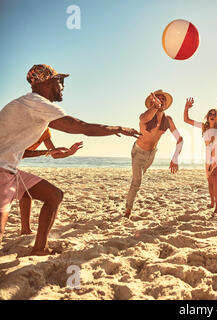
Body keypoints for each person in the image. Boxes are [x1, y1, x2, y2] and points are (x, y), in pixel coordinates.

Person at [0, 64, 140, 256]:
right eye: (60, 81)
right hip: (2, 172)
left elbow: (18, 151)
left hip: (9, 170)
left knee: (53, 196)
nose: (63, 86)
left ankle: (40, 249)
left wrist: (49, 152)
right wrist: (117, 128)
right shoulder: (37, 103)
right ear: (48, 82)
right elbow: (79, 126)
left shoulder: (30, 106)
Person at [124, 90, 184, 219]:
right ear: (152, 102)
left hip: (152, 154)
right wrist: (155, 108)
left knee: (136, 181)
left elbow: (180, 139)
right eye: (158, 98)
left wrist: (175, 157)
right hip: (138, 152)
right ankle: (128, 210)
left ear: (165, 104)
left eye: (163, 99)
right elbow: (143, 119)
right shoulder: (145, 117)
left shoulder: (167, 120)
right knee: (137, 183)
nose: (160, 100)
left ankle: (129, 198)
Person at [20, 128, 83, 235]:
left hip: (8, 162)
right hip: (5, 162)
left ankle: (25, 230)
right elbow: (21, 153)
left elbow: (54, 154)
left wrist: (70, 152)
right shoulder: (22, 124)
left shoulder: (44, 131)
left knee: (26, 191)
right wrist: (47, 152)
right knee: (26, 190)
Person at [184, 96, 217, 217]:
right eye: (210, 113)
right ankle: (211, 202)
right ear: (208, 116)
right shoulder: (203, 127)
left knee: (214, 178)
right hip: (209, 158)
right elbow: (186, 120)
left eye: (215, 114)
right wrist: (186, 108)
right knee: (210, 182)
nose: (212, 115)